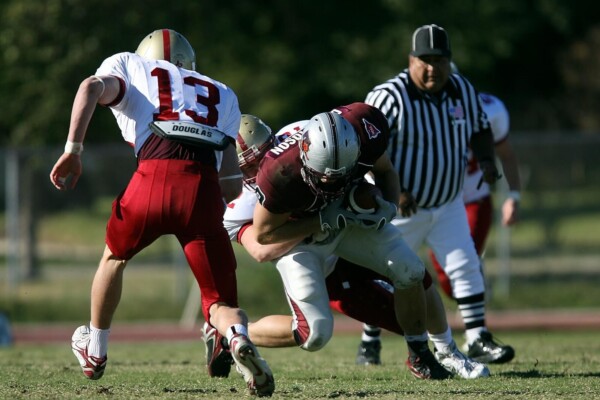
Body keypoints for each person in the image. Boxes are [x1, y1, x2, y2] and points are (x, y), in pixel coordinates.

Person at [48, 29, 274, 397]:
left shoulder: (131, 65)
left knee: (114, 257)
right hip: (201, 187)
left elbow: (90, 86)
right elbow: (231, 184)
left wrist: (74, 149)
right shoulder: (222, 91)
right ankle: (236, 338)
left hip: (151, 175)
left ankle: (96, 349)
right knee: (220, 302)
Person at [204, 113, 489, 379]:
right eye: (252, 165)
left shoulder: (307, 137)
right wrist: (321, 221)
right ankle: (236, 336)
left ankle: (446, 351)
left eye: (267, 152)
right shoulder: (238, 203)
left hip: (343, 224)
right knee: (314, 333)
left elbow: (359, 169)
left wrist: (372, 198)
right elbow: (262, 249)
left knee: (413, 273)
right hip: (303, 248)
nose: (264, 164)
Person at [364, 24, 515, 365]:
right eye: (425, 60)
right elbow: (367, 148)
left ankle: (477, 337)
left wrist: (488, 160)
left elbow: (479, 128)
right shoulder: (390, 96)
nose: (433, 68)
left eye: (440, 60)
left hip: (448, 202)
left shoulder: (461, 87)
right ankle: (369, 341)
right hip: (401, 207)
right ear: (411, 60)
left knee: (465, 265)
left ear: (450, 61)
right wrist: (394, 191)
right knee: (386, 273)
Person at [429, 66, 522, 299]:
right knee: (446, 279)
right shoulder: (412, 110)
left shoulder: (489, 110)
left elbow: (506, 155)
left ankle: (476, 323)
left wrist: (514, 197)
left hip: (473, 198)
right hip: (435, 203)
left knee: (462, 262)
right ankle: (473, 299)